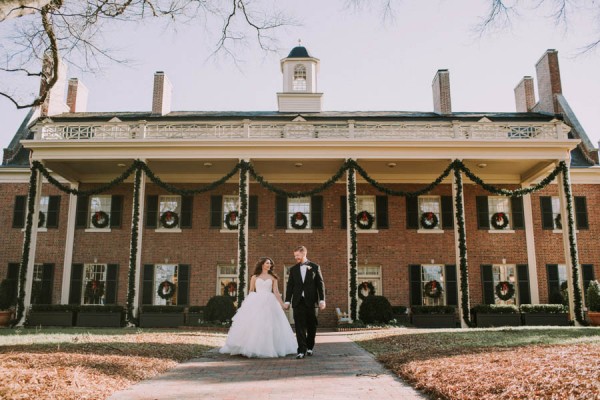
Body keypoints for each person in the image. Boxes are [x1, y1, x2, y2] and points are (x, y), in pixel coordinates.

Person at [219, 257, 297, 358]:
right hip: (256, 301)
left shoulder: (273, 278)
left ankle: (269, 348)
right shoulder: (254, 277)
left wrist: (282, 304)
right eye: (267, 263)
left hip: (270, 302)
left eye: (270, 264)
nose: (269, 265)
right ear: (262, 264)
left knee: (270, 325)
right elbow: (251, 290)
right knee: (255, 324)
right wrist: (248, 304)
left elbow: (276, 292)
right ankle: (250, 347)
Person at [284, 245, 326, 359]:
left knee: (312, 326)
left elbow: (320, 285)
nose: (295, 257)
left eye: (297, 255)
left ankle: (309, 347)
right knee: (299, 326)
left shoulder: (315, 267)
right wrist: (287, 300)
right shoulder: (293, 269)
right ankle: (301, 350)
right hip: (298, 301)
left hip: (312, 302)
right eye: (295, 255)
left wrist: (322, 300)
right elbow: (290, 286)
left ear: (303, 254)